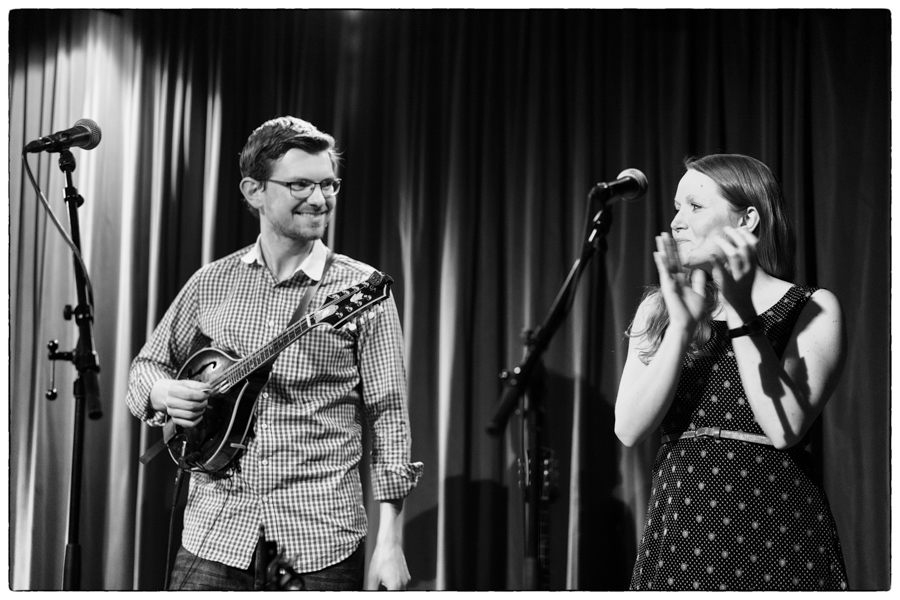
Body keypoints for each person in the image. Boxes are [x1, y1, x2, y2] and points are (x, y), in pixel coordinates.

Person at [126, 116, 423, 591]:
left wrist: (391, 538)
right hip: (213, 533)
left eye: (328, 184)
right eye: (300, 184)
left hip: (320, 542)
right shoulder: (212, 282)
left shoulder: (361, 288)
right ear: (254, 191)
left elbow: (389, 415)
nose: (320, 198)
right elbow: (147, 366)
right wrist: (163, 392)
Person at [614, 154, 848, 591]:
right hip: (680, 529)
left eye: (695, 207)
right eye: (677, 207)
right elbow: (628, 429)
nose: (677, 223)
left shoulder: (812, 307)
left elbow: (784, 427)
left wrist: (741, 313)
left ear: (747, 220)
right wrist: (680, 328)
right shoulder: (659, 309)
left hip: (777, 530)